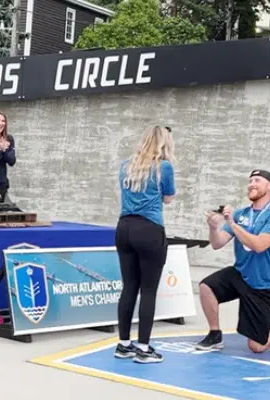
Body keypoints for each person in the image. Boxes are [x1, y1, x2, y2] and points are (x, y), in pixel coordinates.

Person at [196, 169, 270, 354]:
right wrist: (213, 228)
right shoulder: (241, 214)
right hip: (240, 274)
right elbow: (217, 243)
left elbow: (259, 245)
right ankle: (215, 335)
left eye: (257, 180)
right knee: (206, 287)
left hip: (262, 284)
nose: (252, 184)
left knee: (257, 347)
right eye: (250, 181)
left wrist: (232, 224)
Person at [113, 125, 175, 364]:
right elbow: (168, 199)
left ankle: (123, 344)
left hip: (124, 227)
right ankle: (144, 347)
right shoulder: (164, 167)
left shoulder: (125, 166)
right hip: (149, 228)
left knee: (129, 287)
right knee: (148, 290)